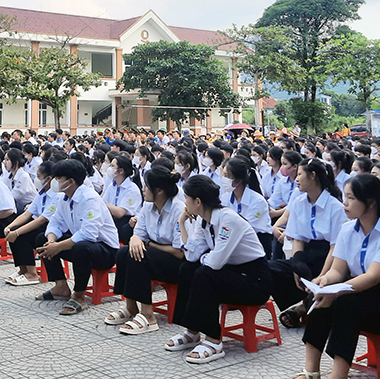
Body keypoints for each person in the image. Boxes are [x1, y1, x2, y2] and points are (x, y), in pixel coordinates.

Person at [294, 174, 380, 379]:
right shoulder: (347, 229)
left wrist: (337, 292)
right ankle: (311, 370)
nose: (345, 203)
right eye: (345, 197)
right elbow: (338, 270)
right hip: (360, 291)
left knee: (346, 305)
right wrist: (323, 281)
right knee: (318, 298)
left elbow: (372, 277)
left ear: (370, 203)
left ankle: (339, 374)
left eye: (351, 198)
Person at [165, 175, 271, 364]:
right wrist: (182, 223)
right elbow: (191, 255)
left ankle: (214, 340)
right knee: (187, 269)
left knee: (204, 274)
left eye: (186, 199)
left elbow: (214, 262)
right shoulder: (202, 219)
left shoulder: (228, 220)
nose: (184, 204)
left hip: (254, 280)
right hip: (232, 273)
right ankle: (192, 332)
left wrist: (204, 256)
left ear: (197, 201)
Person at [106, 165, 185, 334]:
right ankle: (131, 306)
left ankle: (149, 316)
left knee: (140, 255)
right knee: (124, 252)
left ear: (159, 191)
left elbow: (179, 252)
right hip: (155, 256)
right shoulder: (148, 206)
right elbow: (139, 233)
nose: (143, 190)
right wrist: (135, 238)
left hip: (176, 263)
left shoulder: (178, 210)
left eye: (146, 187)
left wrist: (148, 244)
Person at [35, 160, 119, 315]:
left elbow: (89, 234)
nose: (55, 182)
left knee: (82, 247)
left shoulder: (90, 199)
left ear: (71, 181)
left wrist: (58, 247)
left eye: (58, 178)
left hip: (105, 250)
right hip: (81, 244)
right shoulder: (64, 198)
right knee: (42, 239)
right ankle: (61, 286)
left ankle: (79, 296)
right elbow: (55, 222)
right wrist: (52, 241)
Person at [270, 158, 346, 329]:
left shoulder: (335, 207)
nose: (296, 179)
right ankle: (305, 302)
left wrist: (323, 276)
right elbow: (298, 239)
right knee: (271, 268)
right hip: (306, 255)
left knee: (325, 286)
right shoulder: (298, 202)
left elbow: (335, 247)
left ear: (313, 176)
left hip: (329, 258)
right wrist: (298, 266)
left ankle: (303, 307)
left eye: (300, 175)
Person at [1, 161, 60, 285]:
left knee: (22, 235)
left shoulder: (57, 195)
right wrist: (10, 227)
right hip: (39, 224)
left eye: (39, 176)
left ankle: (32, 274)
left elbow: (42, 219)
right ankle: (23, 270)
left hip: (51, 229)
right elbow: (28, 213)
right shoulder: (42, 193)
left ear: (49, 178)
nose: (36, 179)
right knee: (14, 231)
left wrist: (17, 232)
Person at [220, 156, 274, 257]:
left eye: (227, 176)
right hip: (233, 241)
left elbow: (246, 229)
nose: (223, 179)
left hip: (256, 244)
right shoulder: (225, 198)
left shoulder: (257, 201)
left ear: (238, 180)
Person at [102, 154, 143, 244]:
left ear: (120, 171)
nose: (109, 168)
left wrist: (102, 202)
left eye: (112, 166)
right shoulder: (112, 185)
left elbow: (120, 213)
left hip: (128, 222)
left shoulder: (132, 189)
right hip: (114, 218)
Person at [3, 148, 37, 213]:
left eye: (7, 160)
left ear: (16, 162)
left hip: (29, 205)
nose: (5, 162)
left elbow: (14, 195)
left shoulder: (23, 177)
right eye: (4, 159)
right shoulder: (8, 175)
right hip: (17, 204)